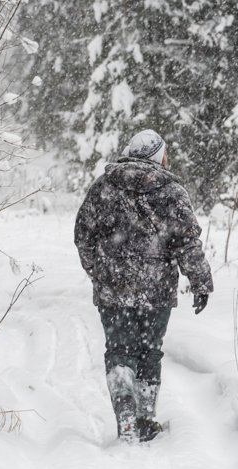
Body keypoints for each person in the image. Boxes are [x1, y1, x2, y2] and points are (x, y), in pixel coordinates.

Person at [73, 129, 213, 443]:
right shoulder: (171, 190)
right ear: (156, 155)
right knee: (149, 352)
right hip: (157, 288)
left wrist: (100, 272)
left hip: (115, 288)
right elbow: (188, 242)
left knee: (120, 352)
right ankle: (145, 419)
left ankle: (125, 417)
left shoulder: (105, 186)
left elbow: (83, 236)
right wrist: (200, 281)